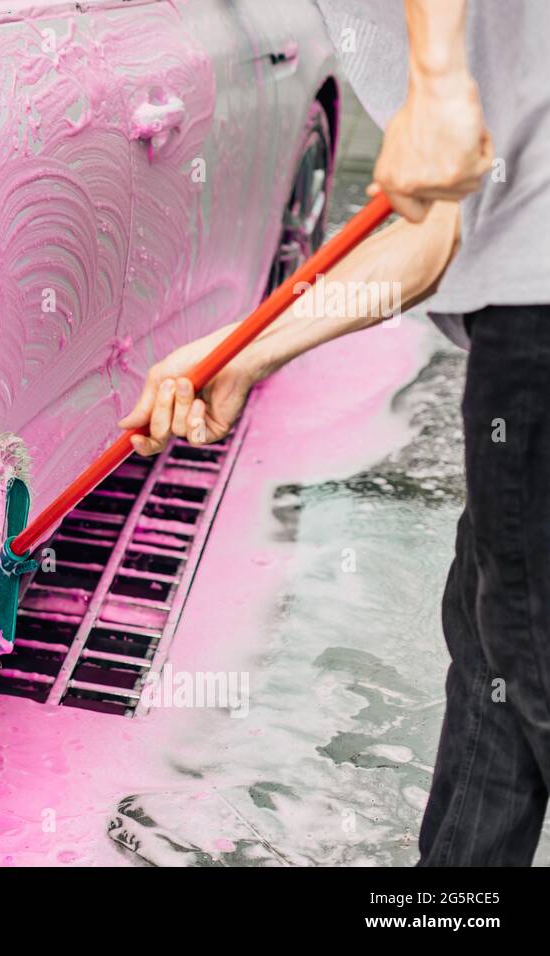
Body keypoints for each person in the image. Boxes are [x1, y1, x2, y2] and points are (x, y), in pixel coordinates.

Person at [119, 0, 550, 865]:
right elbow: (435, 232)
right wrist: (244, 353)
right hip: (520, 307)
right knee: (493, 641)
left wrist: (433, 85)